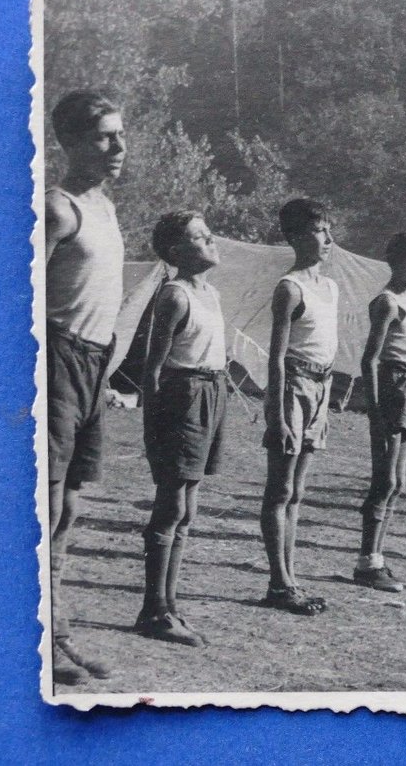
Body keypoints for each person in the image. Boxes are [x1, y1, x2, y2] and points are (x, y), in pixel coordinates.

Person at [44, 90, 126, 685]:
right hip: (57, 361)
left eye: (121, 134)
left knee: (71, 502)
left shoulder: (105, 207)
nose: (119, 146)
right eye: (104, 136)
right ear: (71, 142)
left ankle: (59, 631)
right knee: (42, 504)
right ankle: (37, 643)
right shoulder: (58, 208)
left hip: (96, 365)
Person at [135, 211, 227, 646]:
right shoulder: (172, 296)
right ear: (176, 252)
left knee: (188, 509)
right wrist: (154, 429)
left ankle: (169, 605)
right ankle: (152, 609)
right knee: (170, 506)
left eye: (208, 233)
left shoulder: (210, 294)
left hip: (212, 392)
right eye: (199, 236)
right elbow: (152, 371)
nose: (211, 240)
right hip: (181, 398)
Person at [258, 199, 338, 615]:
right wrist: (276, 414)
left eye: (328, 230)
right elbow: (275, 356)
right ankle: (278, 582)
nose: (327, 239)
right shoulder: (290, 288)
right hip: (294, 386)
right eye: (317, 231)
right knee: (280, 489)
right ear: (293, 238)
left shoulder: (330, 286)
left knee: (299, 491)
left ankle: (291, 577)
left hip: (321, 387)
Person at [354, 234, 406, 592]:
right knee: (383, 480)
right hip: (392, 385)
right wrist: (374, 408)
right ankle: (367, 561)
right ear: (395, 263)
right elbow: (369, 360)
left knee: (398, 482)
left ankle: (378, 559)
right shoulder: (386, 302)